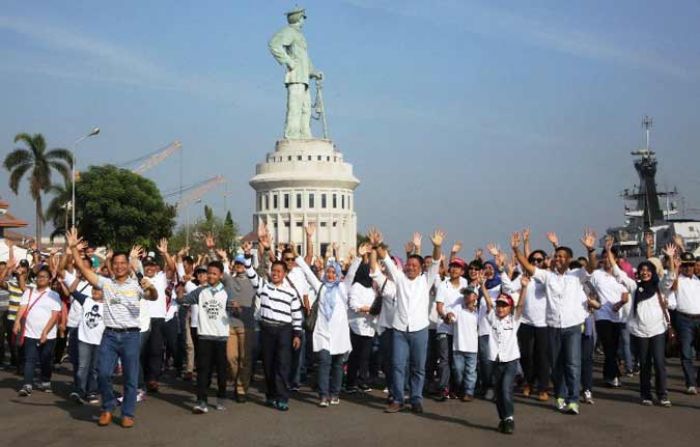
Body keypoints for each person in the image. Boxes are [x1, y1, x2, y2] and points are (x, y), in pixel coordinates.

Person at [66, 228, 158, 428]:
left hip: (131, 336)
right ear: (111, 266)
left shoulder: (137, 285)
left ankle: (127, 413)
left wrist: (150, 287)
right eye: (115, 263)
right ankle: (107, 407)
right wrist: (74, 249)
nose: (119, 266)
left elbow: (154, 296)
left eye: (123, 263)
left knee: (130, 377)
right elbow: (84, 270)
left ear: (128, 265)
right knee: (104, 374)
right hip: (109, 335)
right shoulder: (106, 284)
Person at [512, 229, 596, 415]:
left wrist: (590, 250)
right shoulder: (547, 276)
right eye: (556, 256)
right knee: (556, 364)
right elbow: (528, 265)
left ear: (568, 259)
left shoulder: (576, 276)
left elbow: (591, 266)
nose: (557, 258)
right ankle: (560, 395)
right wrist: (516, 248)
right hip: (553, 327)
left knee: (573, 364)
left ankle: (573, 400)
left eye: (561, 256)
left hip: (572, 326)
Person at [371, 228, 443, 414]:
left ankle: (416, 399)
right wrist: (377, 244)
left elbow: (435, 261)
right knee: (397, 366)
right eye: (408, 265)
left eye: (414, 266)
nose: (410, 267)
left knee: (418, 368)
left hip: (420, 330)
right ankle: (397, 398)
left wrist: (437, 245)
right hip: (400, 330)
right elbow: (385, 258)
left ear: (420, 269)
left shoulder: (425, 281)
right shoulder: (399, 278)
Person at [294, 224, 355, 406]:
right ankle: (323, 394)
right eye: (327, 272)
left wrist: (358, 258)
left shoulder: (343, 288)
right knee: (324, 363)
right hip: (322, 331)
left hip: (339, 333)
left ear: (337, 274)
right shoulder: (319, 286)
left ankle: (335, 393)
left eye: (333, 272)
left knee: (337, 365)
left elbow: (350, 274)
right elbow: (305, 269)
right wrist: (308, 239)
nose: (329, 275)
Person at [242, 239, 302, 411]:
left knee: (282, 365)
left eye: (279, 271)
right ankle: (270, 395)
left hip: (284, 330)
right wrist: (247, 255)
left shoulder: (290, 292)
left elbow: (297, 314)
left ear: (284, 274)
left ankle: (282, 398)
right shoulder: (264, 287)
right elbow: (251, 273)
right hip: (267, 329)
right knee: (268, 365)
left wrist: (297, 334)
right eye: (273, 270)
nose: (275, 273)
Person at [612, 241, 672, 406]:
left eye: (648, 270)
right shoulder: (634, 287)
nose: (645, 273)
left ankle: (662, 394)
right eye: (642, 270)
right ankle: (646, 394)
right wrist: (609, 253)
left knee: (659, 364)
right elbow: (619, 273)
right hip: (639, 331)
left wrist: (671, 258)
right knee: (645, 364)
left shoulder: (659, 287)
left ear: (652, 273)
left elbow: (670, 277)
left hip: (658, 331)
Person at [480, 235, 529, 435]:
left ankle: (509, 419)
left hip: (510, 360)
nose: (500, 308)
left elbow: (520, 306)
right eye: (499, 305)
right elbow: (488, 303)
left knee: (507, 389)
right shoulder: (492, 318)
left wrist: (524, 288)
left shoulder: (513, 319)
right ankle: (503, 417)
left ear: (509, 308)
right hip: (495, 360)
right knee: (498, 393)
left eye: (503, 306)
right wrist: (482, 286)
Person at [177, 260, 235, 414]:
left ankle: (221, 397)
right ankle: (201, 401)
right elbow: (183, 301)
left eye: (214, 273)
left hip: (221, 337)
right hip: (204, 336)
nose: (210, 276)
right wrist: (180, 294)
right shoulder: (200, 291)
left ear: (220, 275)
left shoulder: (227, 291)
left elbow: (234, 308)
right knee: (203, 370)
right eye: (209, 273)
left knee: (222, 371)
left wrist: (236, 308)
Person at [268, 7, 324, 139]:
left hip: (304, 78)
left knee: (306, 109)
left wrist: (314, 72)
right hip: (295, 76)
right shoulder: (289, 32)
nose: (304, 20)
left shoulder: (299, 35)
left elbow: (304, 58)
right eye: (303, 17)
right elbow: (274, 44)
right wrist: (288, 61)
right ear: (298, 18)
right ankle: (292, 135)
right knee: (295, 107)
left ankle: (305, 135)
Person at [13, 267, 61, 396]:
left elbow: (55, 316)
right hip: (30, 333)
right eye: (39, 276)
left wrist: (45, 332)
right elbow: (22, 307)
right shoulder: (29, 292)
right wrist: (17, 321)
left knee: (46, 359)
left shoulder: (54, 295)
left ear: (50, 280)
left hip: (48, 335)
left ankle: (45, 380)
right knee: (30, 359)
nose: (41, 279)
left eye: (44, 276)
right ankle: (27, 384)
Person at [589, 243, 629, 388]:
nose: (607, 260)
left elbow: (625, 295)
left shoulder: (620, 275)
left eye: (610, 257)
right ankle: (615, 375)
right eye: (605, 257)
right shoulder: (596, 274)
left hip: (617, 316)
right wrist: (593, 302)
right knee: (608, 346)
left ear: (616, 259)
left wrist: (619, 304)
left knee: (613, 347)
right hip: (601, 315)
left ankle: (608, 375)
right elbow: (588, 288)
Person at [63, 273, 104, 404]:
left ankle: (92, 392)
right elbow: (71, 291)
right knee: (82, 366)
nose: (95, 291)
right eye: (93, 288)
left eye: (98, 289)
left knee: (95, 368)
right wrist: (78, 278)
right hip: (84, 340)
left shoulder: (109, 305)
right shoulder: (86, 300)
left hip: (100, 341)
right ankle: (79, 390)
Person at [223, 253, 257, 403]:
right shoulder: (230, 280)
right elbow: (218, 273)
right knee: (231, 358)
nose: (239, 266)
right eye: (237, 263)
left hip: (246, 325)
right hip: (230, 324)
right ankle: (238, 379)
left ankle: (241, 388)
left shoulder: (253, 282)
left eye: (242, 263)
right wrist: (212, 251)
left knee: (245, 359)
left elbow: (261, 269)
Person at [665, 249, 700, 394]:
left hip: (699, 318)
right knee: (686, 353)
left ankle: (697, 381)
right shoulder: (677, 280)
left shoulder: (698, 280)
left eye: (691, 265)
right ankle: (690, 384)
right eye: (685, 265)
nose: (689, 268)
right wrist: (675, 264)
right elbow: (671, 288)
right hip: (684, 319)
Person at [434, 257, 468, 400]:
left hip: (460, 329)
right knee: (444, 359)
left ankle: (456, 387)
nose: (454, 269)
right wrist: (445, 316)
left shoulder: (465, 284)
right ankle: (443, 389)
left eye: (457, 267)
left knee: (457, 361)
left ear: (462, 271)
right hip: (444, 327)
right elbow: (439, 306)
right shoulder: (443, 285)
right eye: (452, 266)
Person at [450, 286, 479, 401]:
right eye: (465, 294)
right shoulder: (458, 308)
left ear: (475, 296)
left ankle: (469, 392)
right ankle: (461, 388)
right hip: (458, 347)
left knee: (471, 372)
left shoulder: (478, 312)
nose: (466, 296)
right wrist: (449, 316)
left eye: (469, 293)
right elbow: (452, 317)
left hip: (472, 348)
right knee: (458, 371)